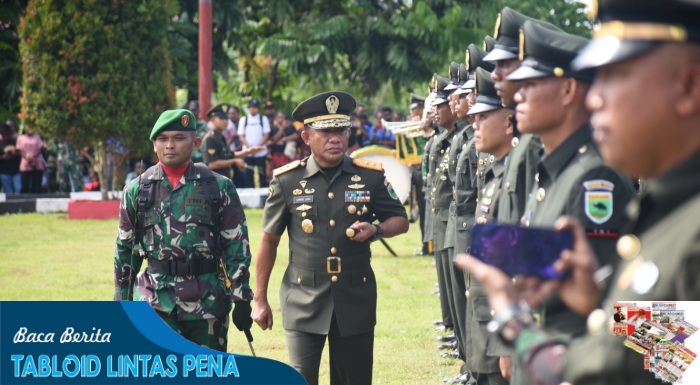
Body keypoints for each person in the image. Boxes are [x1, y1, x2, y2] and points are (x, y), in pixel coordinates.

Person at [456, 1, 700, 384]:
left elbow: (624, 369)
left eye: (615, 76)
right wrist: (598, 298)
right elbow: (674, 359)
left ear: (689, 85)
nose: (595, 98)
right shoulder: (673, 208)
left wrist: (514, 325)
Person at [251, 91, 409, 385]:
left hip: (355, 296)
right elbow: (269, 240)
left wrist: (377, 230)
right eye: (325, 131)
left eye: (341, 130)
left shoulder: (370, 177)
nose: (335, 138)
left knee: (354, 379)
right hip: (303, 296)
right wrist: (259, 299)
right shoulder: (287, 181)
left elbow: (401, 220)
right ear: (306, 137)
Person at [114, 109, 254, 352]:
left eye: (179, 138)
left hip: (207, 306)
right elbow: (126, 251)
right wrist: (121, 304)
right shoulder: (137, 191)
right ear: (154, 144)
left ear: (196, 142)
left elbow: (236, 246)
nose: (170, 145)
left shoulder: (218, 187)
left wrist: (242, 299)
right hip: (155, 304)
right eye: (163, 139)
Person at [202, 103, 263, 184]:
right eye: (221, 118)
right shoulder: (210, 138)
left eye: (226, 119)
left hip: (224, 180)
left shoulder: (221, 136)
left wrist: (248, 151)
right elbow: (212, 164)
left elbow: (229, 155)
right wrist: (234, 161)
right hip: (215, 182)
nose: (225, 121)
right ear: (212, 120)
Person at [238, 98, 271, 187]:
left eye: (255, 107)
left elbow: (266, 134)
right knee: (249, 175)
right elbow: (241, 136)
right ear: (248, 108)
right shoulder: (243, 120)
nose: (253, 109)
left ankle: (263, 196)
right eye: (251, 107)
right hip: (247, 152)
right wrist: (250, 148)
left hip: (260, 152)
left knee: (262, 174)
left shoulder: (263, 119)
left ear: (258, 109)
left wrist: (257, 147)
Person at [16, 125, 46, 194]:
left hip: (36, 162)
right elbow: (19, 150)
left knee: (37, 185)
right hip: (25, 163)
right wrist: (28, 158)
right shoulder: (21, 137)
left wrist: (33, 158)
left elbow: (40, 148)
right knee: (24, 185)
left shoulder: (37, 137)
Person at [0, 122, 21, 194]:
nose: (6, 137)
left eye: (7, 135)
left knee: (19, 189)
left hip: (16, 170)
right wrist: (3, 157)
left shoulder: (16, 141)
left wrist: (14, 153)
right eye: (4, 135)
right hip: (4, 171)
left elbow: (21, 152)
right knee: (8, 192)